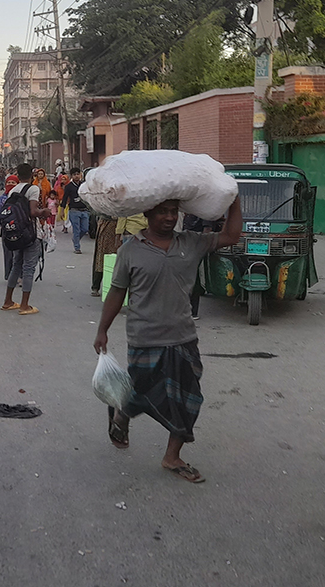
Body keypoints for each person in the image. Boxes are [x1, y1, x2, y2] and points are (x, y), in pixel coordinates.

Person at [93, 195, 243, 484]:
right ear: (148, 213)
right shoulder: (130, 251)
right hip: (143, 337)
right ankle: (122, 414)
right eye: (163, 212)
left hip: (182, 336)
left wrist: (234, 201)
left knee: (189, 400)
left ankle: (172, 456)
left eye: (174, 212)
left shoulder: (191, 242)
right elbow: (116, 292)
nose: (170, 217)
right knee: (140, 391)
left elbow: (231, 235)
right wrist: (102, 329)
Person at [0, 163, 50, 315]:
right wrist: (44, 212)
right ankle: (24, 305)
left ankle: (8, 301)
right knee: (28, 268)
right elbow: (33, 211)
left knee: (16, 265)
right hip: (29, 233)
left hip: (16, 232)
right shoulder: (33, 188)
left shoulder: (13, 190)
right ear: (32, 175)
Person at [0, 175, 19, 280]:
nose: (11, 185)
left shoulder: (21, 198)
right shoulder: (2, 199)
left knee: (18, 254)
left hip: (19, 230)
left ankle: (19, 275)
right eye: (9, 182)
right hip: (6, 230)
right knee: (8, 254)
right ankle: (9, 275)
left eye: (13, 183)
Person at [62, 168, 90, 253]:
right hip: (74, 210)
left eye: (78, 174)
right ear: (71, 176)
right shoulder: (69, 186)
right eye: (74, 174)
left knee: (85, 229)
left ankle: (75, 239)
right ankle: (77, 247)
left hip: (84, 210)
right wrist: (62, 210)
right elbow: (65, 198)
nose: (76, 176)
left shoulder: (84, 185)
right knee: (76, 229)